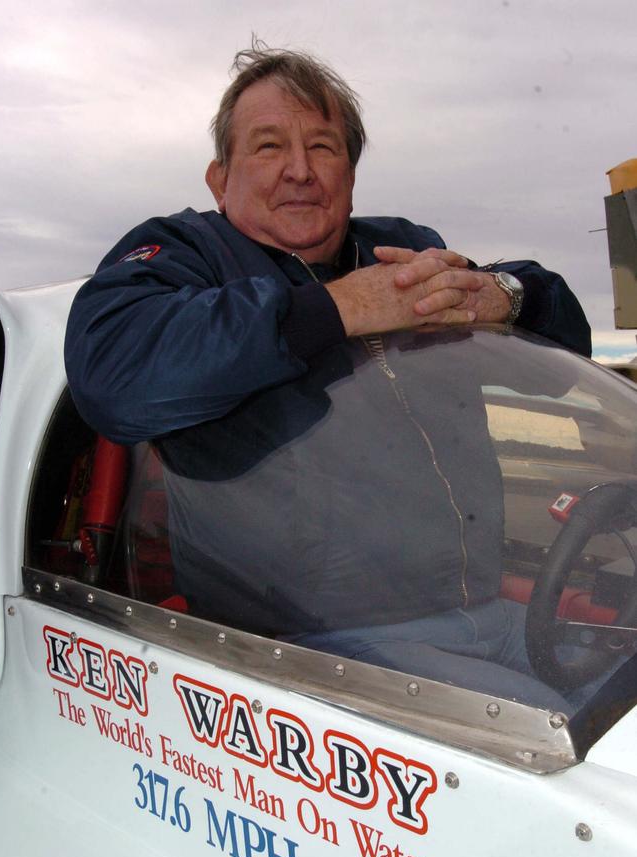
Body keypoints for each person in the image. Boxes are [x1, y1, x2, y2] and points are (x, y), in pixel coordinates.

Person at [65, 43, 592, 710]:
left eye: (323, 147)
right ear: (217, 177)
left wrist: (508, 297)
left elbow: (564, 359)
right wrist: (341, 308)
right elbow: (114, 374)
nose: (300, 171)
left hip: (485, 610)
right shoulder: (184, 256)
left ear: (349, 172)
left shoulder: (399, 245)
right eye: (267, 147)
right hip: (317, 646)